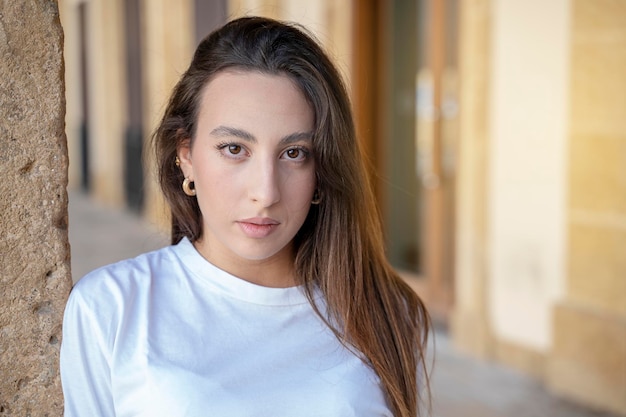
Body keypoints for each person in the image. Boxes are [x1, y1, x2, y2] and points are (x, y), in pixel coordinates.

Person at [61, 16, 431, 417]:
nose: (266, 193)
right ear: (185, 156)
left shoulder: (385, 313)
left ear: (322, 169)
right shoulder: (112, 308)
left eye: (294, 153)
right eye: (234, 149)